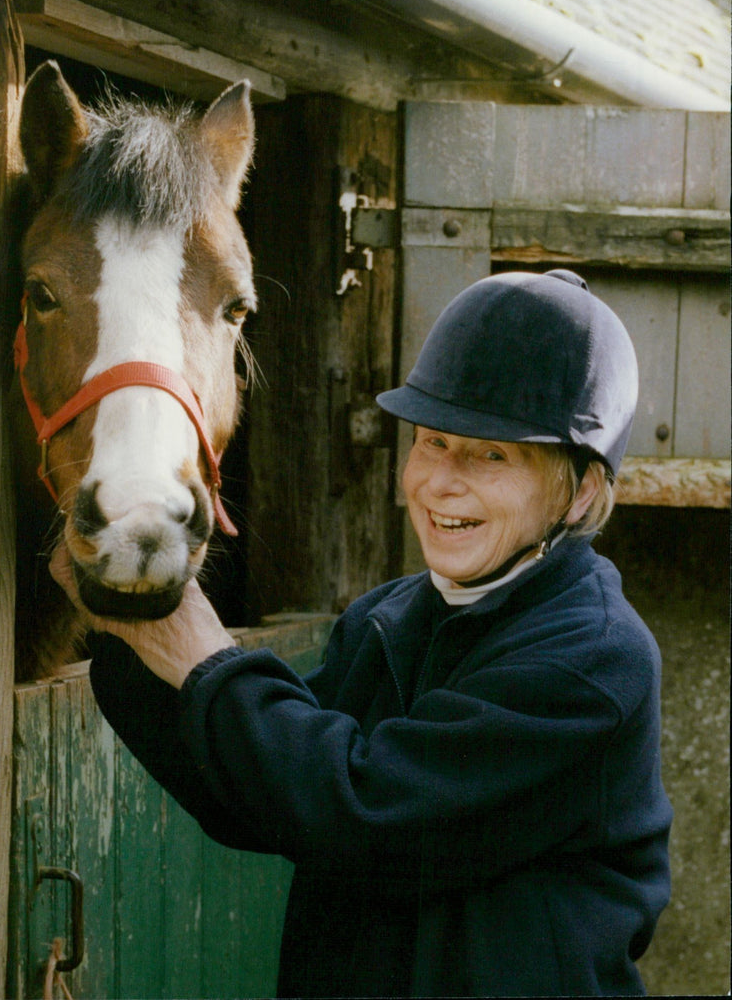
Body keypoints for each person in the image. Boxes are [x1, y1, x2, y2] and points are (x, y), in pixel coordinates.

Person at [53, 269, 672, 997]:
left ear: (582, 491)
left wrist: (204, 656)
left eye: (492, 454)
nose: (441, 481)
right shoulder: (394, 617)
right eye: (434, 440)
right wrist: (130, 628)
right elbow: (268, 790)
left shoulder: (592, 660)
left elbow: (369, 812)